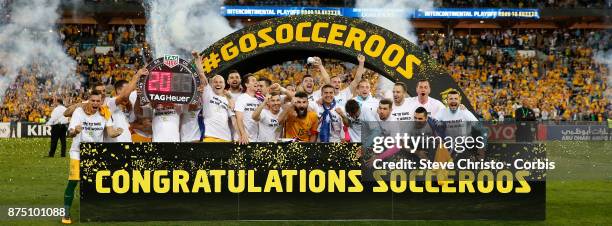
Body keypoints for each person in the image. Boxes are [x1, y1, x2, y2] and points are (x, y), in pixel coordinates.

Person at [61, 90, 122, 224]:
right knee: (73, 181)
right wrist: (75, 131)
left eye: (98, 101)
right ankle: (66, 213)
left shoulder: (105, 112)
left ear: (101, 101)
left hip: (94, 152)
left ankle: (93, 212)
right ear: (88, 100)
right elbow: (70, 132)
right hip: (78, 152)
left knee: (95, 184)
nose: (95, 103)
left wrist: (117, 133)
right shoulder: (79, 112)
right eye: (93, 100)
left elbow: (110, 132)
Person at [193, 51, 237, 142]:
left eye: (220, 82)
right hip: (210, 137)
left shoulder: (227, 99)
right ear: (211, 85)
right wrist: (197, 60)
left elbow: (233, 120)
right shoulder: (208, 93)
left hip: (226, 138)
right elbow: (202, 75)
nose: (218, 84)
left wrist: (241, 134)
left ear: (225, 85)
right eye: (215, 82)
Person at [234, 73, 262, 144]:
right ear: (247, 85)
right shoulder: (241, 98)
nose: (256, 82)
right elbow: (239, 118)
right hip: (245, 139)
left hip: (257, 139)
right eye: (253, 80)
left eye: (256, 80)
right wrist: (243, 134)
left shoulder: (260, 99)